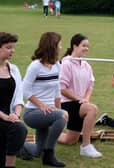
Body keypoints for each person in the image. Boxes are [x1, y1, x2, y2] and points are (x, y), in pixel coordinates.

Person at [22, 32, 68, 167]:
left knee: (37, 151)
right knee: (62, 116)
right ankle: (49, 155)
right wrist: (42, 105)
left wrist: (59, 110)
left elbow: (57, 91)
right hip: (32, 113)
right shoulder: (35, 66)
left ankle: (14, 144)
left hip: (48, 112)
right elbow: (25, 90)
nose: (61, 47)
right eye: (59, 44)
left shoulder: (57, 65)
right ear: (52, 46)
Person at [58, 33, 102, 158]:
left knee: (70, 140)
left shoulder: (86, 65)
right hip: (66, 103)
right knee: (92, 109)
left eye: (87, 46)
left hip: (79, 103)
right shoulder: (66, 63)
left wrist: (86, 99)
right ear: (74, 46)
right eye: (83, 46)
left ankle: (49, 133)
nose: (86, 48)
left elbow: (90, 86)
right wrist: (80, 99)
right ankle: (86, 146)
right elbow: (62, 89)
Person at [0, 32, 27, 168]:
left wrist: (15, 115)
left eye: (13, 47)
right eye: (8, 47)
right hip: (2, 117)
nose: (13, 50)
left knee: (20, 128)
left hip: (9, 117)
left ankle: (10, 164)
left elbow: (19, 98)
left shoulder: (14, 69)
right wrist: (5, 116)